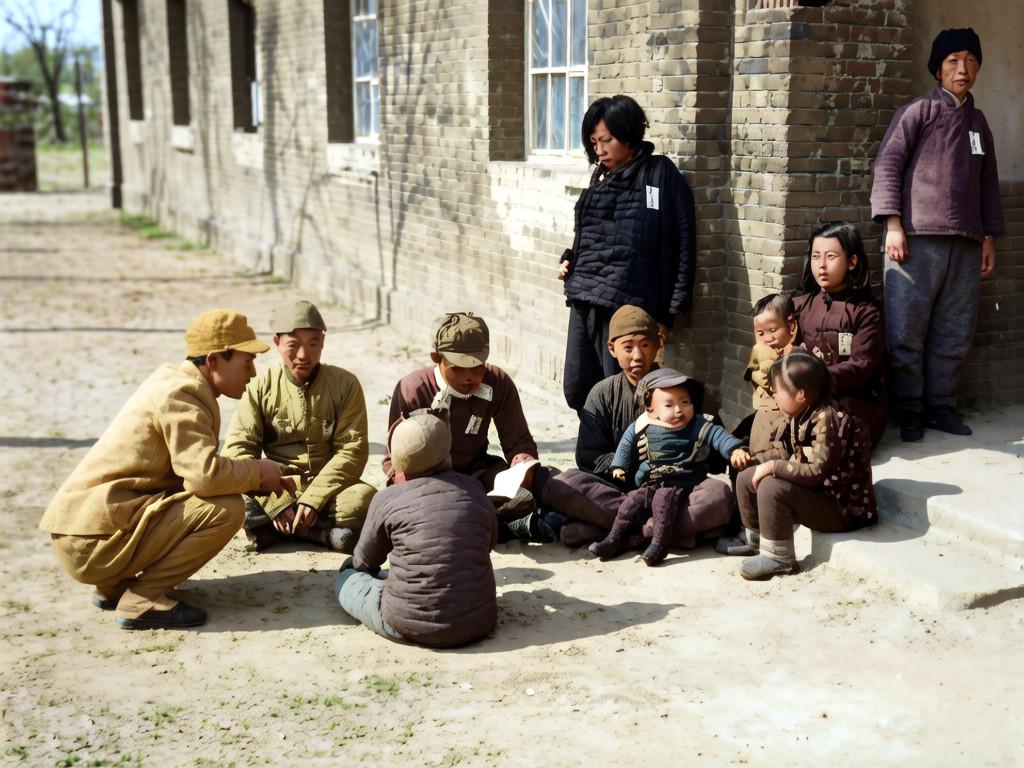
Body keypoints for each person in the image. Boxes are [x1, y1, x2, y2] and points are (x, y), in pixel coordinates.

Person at [40, 309, 294, 630]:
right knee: (226, 510)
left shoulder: (176, 381)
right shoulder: (183, 394)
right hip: (92, 545)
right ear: (214, 360)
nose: (253, 373)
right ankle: (142, 598)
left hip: (86, 537)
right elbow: (204, 477)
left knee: (202, 495)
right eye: (246, 362)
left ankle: (114, 586)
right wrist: (258, 472)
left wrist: (252, 478)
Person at [871, 27, 1004, 441]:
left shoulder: (979, 124)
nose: (962, 69)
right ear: (938, 69)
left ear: (977, 67)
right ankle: (908, 411)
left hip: (965, 243)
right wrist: (893, 224)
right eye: (952, 62)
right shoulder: (918, 112)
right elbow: (888, 164)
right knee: (905, 330)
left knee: (954, 330)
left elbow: (987, 185)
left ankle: (940, 408)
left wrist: (987, 238)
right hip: (914, 240)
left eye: (969, 61)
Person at [384, 312, 608, 541]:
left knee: (549, 480)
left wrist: (522, 464)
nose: (469, 377)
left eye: (477, 367)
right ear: (436, 358)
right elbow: (396, 463)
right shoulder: (413, 389)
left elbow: (519, 441)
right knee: (436, 512)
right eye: (458, 368)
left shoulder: (498, 383)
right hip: (428, 483)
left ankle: (611, 519)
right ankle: (516, 525)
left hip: (477, 474)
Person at [558, 94, 696, 412]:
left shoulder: (658, 174)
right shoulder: (599, 177)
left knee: (623, 390)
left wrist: (670, 310)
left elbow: (682, 241)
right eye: (593, 142)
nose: (599, 149)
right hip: (585, 294)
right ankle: (596, 450)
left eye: (606, 140)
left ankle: (627, 457)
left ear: (629, 134)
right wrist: (571, 258)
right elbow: (589, 236)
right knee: (578, 386)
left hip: (629, 302)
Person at [560, 305, 737, 549]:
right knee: (567, 482)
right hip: (619, 491)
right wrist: (635, 466)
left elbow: (714, 455)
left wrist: (678, 462)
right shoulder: (602, 394)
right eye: (628, 347)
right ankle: (662, 530)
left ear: (659, 344)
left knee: (719, 496)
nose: (637, 356)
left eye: (645, 345)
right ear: (612, 349)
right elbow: (588, 459)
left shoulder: (683, 391)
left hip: (675, 491)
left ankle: (629, 532)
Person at [223, 300, 376, 553]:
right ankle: (318, 534)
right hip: (275, 486)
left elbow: (353, 451)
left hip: (329, 490)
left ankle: (277, 531)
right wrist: (277, 502)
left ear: (323, 342)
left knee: (364, 502)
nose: (304, 355)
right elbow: (237, 452)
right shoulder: (260, 387)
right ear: (276, 343)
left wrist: (314, 499)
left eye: (313, 344)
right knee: (231, 500)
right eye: (293, 345)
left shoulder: (346, 385)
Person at [335, 413, 497, 647]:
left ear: (397, 461)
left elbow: (364, 562)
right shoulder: (475, 490)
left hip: (406, 624)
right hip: (479, 622)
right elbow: (489, 543)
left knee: (348, 577)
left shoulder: (386, 499)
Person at [731, 351, 877, 580]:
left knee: (771, 487)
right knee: (747, 477)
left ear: (800, 394)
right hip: (818, 492)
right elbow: (786, 451)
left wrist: (774, 467)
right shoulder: (800, 414)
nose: (774, 395)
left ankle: (779, 557)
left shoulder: (828, 420)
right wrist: (755, 460)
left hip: (841, 507)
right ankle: (757, 541)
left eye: (777, 390)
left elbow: (817, 471)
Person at [589, 369, 749, 565]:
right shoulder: (642, 425)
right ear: (650, 409)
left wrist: (734, 450)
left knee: (663, 502)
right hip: (652, 480)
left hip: (681, 480)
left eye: (685, 402)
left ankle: (658, 545)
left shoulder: (698, 424)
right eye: (669, 405)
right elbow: (625, 445)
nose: (679, 410)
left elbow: (719, 437)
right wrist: (619, 466)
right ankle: (613, 539)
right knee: (632, 500)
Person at [793, 222, 887, 447]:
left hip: (855, 403)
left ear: (852, 261)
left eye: (831, 256)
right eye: (816, 256)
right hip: (805, 395)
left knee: (825, 435)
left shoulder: (866, 311)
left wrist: (816, 379)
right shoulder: (801, 305)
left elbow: (862, 365)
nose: (821, 265)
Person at [743, 293, 798, 452]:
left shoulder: (797, 355)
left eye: (772, 330)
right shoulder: (760, 353)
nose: (767, 338)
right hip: (765, 414)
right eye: (760, 333)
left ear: (792, 327)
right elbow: (761, 378)